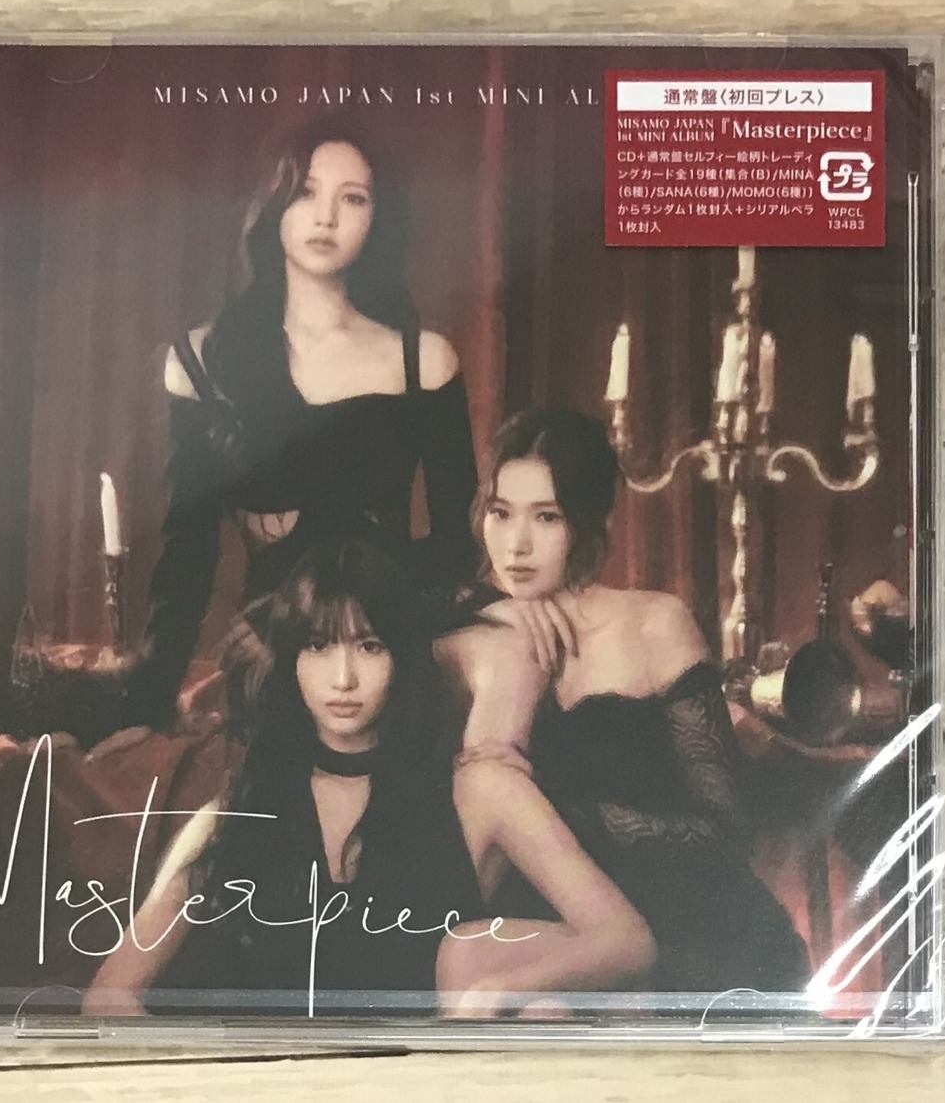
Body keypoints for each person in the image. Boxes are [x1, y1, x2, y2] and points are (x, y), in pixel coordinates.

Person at [435, 408, 809, 1011]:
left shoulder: (653, 623)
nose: (516, 544)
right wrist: (487, 618)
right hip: (553, 918)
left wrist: (562, 820)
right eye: (501, 513)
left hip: (684, 915)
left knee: (540, 1007)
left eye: (547, 517)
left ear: (588, 524)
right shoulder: (471, 633)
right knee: (491, 978)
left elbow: (726, 826)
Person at [128, 115, 479, 735]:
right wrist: (152, 693)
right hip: (271, 655)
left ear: (378, 219)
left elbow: (455, 548)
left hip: (384, 645)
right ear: (273, 205)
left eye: (353, 198)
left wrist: (342, 614)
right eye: (306, 192)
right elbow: (187, 555)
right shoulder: (200, 360)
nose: (327, 217)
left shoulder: (422, 361)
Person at [82, 538, 483, 1017]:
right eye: (318, 646)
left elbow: (578, 935)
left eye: (370, 646)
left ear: (400, 659)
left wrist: (500, 989)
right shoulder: (232, 816)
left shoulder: (456, 801)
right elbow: (107, 996)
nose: (343, 679)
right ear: (291, 659)